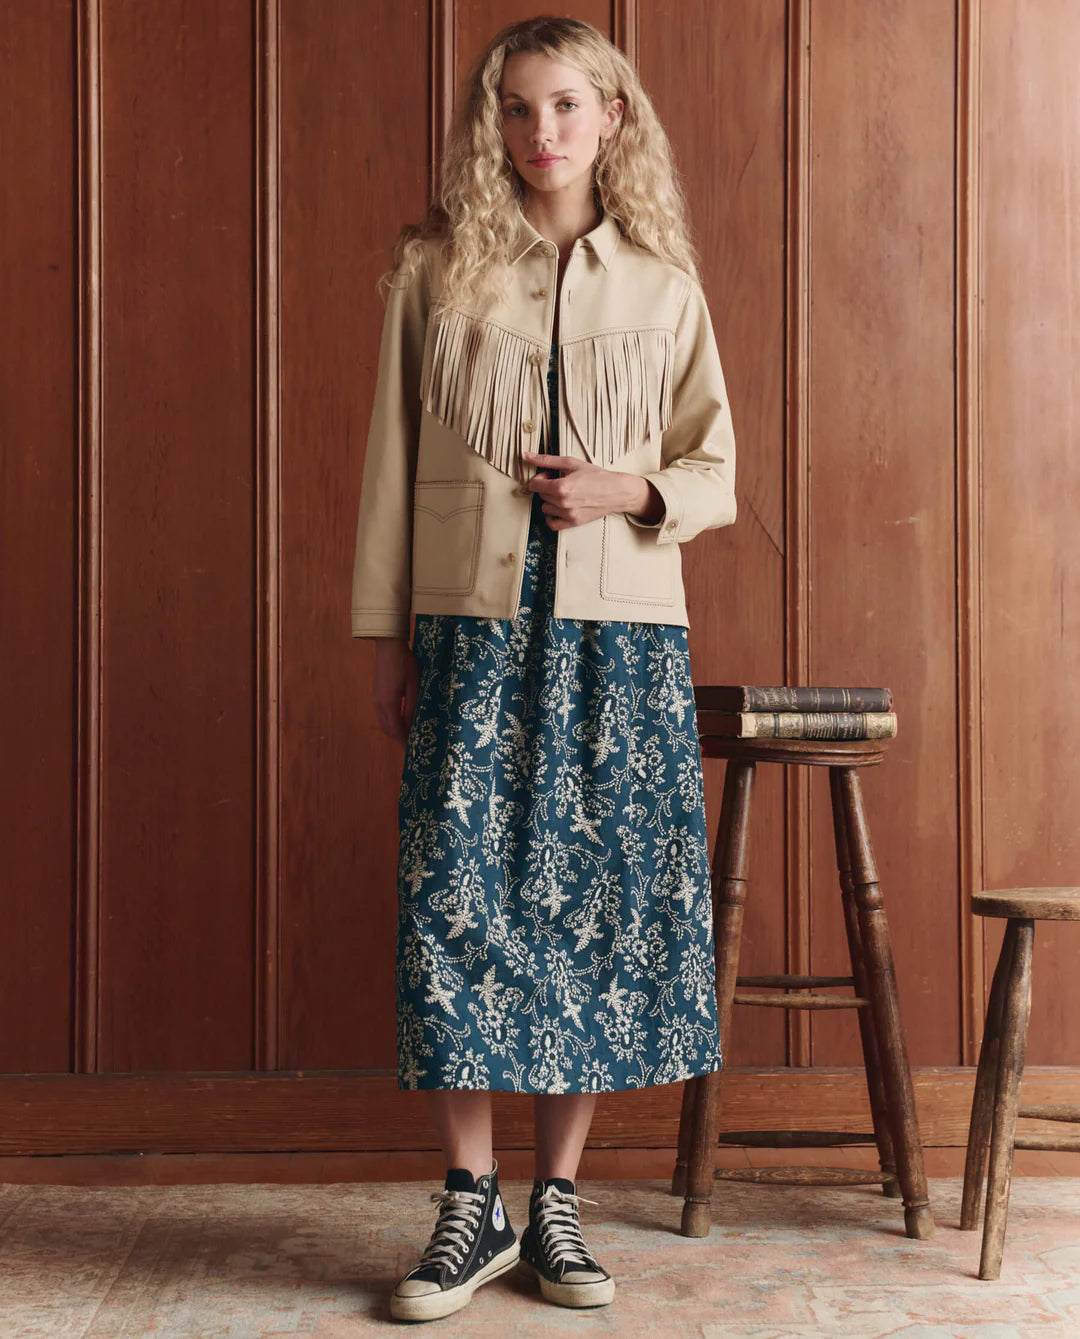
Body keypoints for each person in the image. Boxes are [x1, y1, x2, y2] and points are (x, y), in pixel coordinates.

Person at [350, 14, 737, 1324]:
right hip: (471, 629)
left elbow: (713, 468)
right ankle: (472, 1204)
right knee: (459, 903)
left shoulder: (665, 290)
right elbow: (393, 472)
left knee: (595, 911)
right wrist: (392, 638)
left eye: (566, 107)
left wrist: (626, 488)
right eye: (516, 111)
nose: (541, 135)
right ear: (491, 126)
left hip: (619, 642)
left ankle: (559, 1202)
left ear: (612, 117)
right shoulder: (436, 271)